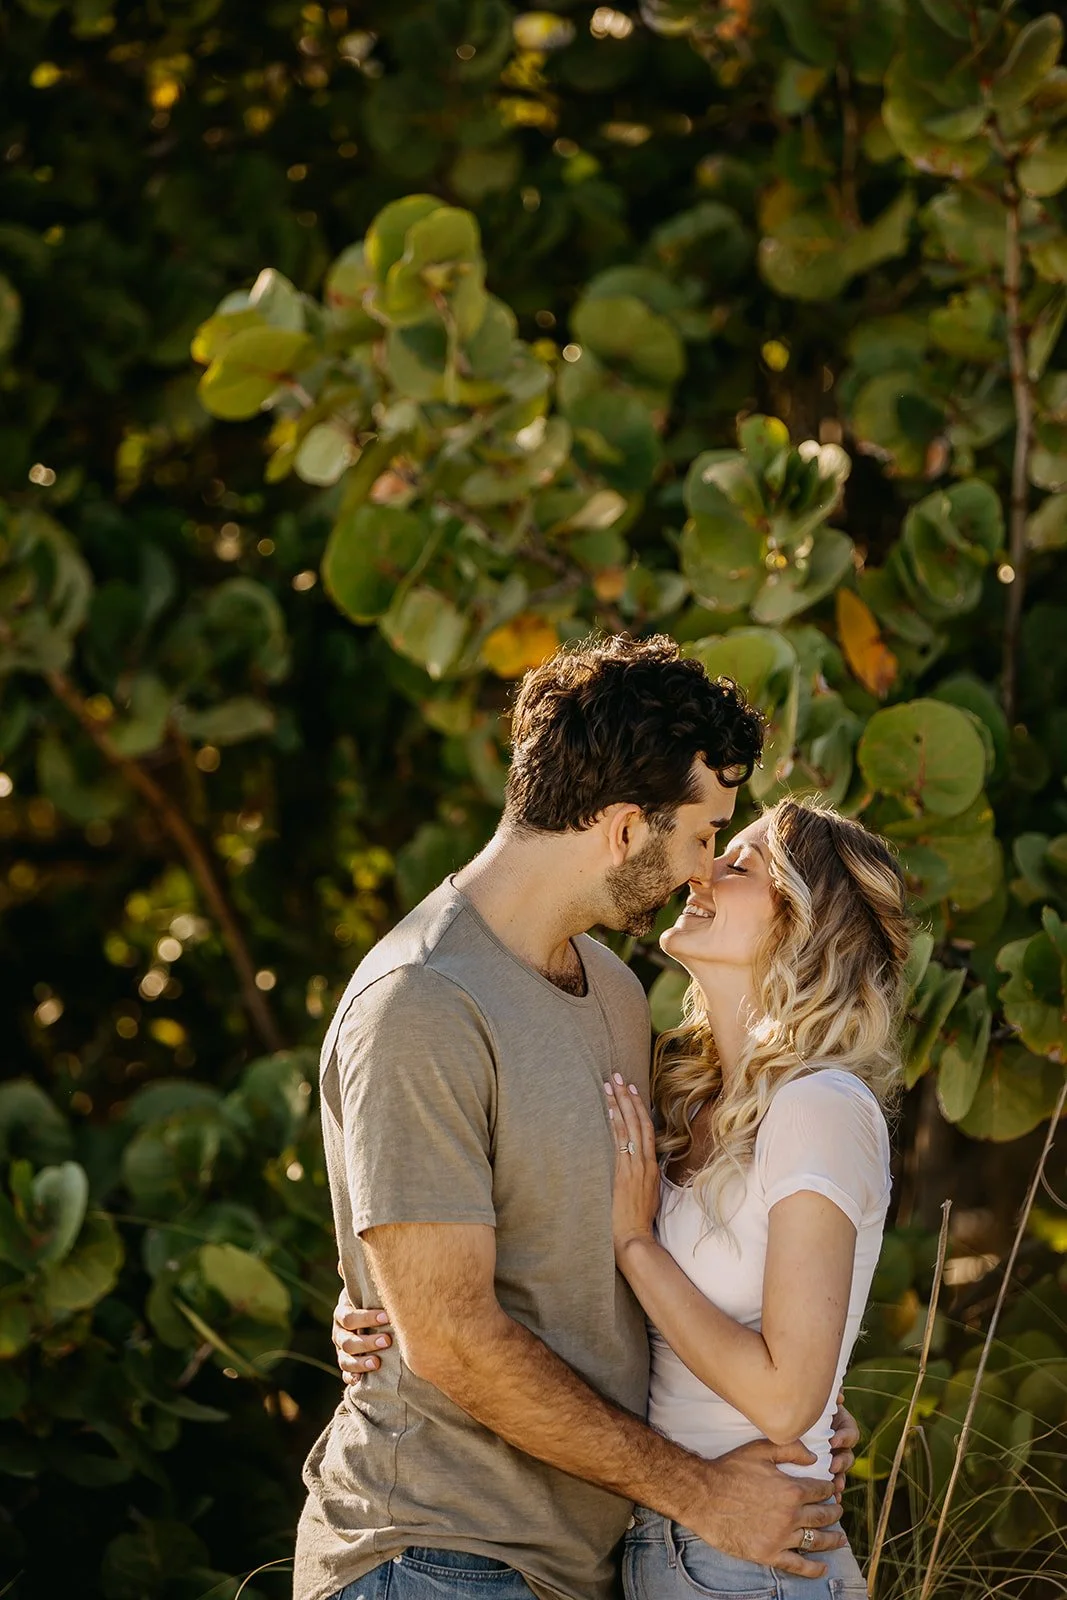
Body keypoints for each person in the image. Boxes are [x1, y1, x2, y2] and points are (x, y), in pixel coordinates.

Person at [297, 634, 859, 1600]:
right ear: (623, 827)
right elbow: (451, 1337)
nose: (700, 872)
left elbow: (622, 1245)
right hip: (438, 1552)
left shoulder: (612, 991)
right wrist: (702, 1491)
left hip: (592, 1553)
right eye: (699, 836)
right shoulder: (420, 1002)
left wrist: (782, 1412)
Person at [606, 797, 910, 1599]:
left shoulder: (820, 1106)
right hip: (669, 1542)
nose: (699, 872)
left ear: (802, 929)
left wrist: (635, 1247)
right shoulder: (678, 1091)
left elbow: (783, 1400)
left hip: (755, 1560)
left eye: (738, 866)